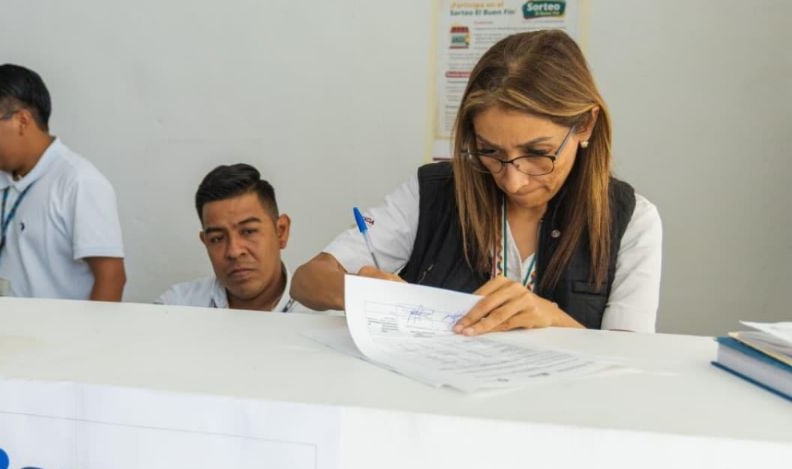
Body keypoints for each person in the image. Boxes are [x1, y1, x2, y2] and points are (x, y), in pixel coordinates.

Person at [292, 29, 662, 333]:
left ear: (585, 125)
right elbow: (307, 280)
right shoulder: (432, 193)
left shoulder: (632, 221)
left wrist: (553, 319)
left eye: (537, 153)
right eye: (491, 152)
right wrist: (356, 291)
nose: (513, 181)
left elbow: (629, 364)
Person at [0, 64, 126, 301]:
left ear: (22, 120)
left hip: (57, 336)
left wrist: (88, 338)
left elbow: (111, 278)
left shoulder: (79, 182)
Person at [158, 164, 304, 312]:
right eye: (217, 239)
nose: (234, 251)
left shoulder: (320, 316)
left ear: (281, 231)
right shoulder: (178, 307)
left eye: (248, 231)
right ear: (205, 242)